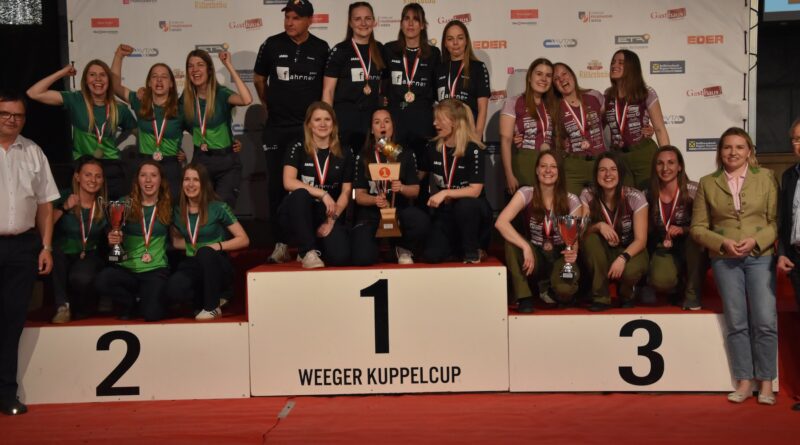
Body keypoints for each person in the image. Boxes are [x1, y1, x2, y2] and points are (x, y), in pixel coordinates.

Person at [691, 127, 777, 406]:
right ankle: (744, 380)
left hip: (760, 256)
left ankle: (766, 381)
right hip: (725, 260)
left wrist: (756, 241)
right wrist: (722, 243)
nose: (733, 152)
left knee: (765, 320)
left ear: (749, 151)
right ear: (720, 152)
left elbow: (776, 222)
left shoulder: (766, 177)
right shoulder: (707, 183)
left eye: (739, 147)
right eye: (727, 147)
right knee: (737, 321)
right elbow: (698, 228)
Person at [253, 0, 330, 264]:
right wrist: (269, 104)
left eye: (296, 18)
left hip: (308, 131)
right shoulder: (271, 44)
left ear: (310, 20)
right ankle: (281, 244)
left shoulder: (321, 48)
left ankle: (310, 244)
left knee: (311, 184)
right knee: (277, 186)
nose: (289, 22)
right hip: (277, 128)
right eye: (287, 16)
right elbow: (259, 79)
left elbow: (326, 87)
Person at [0, 91, 59, 416]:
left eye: (18, 115)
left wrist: (46, 246)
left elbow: (45, 204)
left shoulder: (33, 151)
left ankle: (6, 392)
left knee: (12, 321)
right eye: (5, 114)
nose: (12, 120)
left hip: (23, 247)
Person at [27, 61, 137, 199]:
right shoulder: (76, 99)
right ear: (85, 80)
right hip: (83, 166)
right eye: (92, 75)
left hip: (111, 168)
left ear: (109, 80)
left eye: (102, 75)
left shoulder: (120, 108)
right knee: (84, 209)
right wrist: (63, 72)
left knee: (112, 210)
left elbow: (137, 132)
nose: (98, 79)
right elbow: (34, 93)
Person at [495, 151, 582, 313]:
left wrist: (572, 252)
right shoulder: (526, 193)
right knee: (511, 243)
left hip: (560, 254)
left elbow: (573, 241)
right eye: (543, 166)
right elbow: (501, 222)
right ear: (536, 170)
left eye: (553, 166)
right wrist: (525, 246)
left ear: (559, 172)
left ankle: (555, 290)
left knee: (564, 290)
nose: (548, 170)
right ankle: (524, 297)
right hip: (535, 254)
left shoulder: (571, 200)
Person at [166, 163, 249, 320]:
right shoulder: (177, 210)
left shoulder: (218, 207)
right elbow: (176, 242)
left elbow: (244, 239)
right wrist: (195, 247)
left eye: (196, 180)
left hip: (217, 262)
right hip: (193, 262)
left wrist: (214, 246)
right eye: (187, 179)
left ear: (204, 183)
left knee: (205, 253)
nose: (190, 184)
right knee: (173, 289)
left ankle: (212, 307)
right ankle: (202, 300)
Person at [95, 160, 172, 322]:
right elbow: (112, 235)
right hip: (127, 269)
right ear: (137, 179)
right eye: (143, 175)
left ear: (161, 180)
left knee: (152, 315)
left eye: (153, 175)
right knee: (103, 280)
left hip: (155, 269)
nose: (148, 180)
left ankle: (146, 300)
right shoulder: (124, 204)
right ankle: (130, 302)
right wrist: (112, 238)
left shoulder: (169, 206)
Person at [351, 108, 430, 265]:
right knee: (363, 257)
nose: (382, 126)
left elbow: (415, 190)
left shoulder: (405, 154)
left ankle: (401, 248)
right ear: (371, 130)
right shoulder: (363, 156)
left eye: (386, 121)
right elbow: (359, 196)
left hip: (399, 209)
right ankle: (380, 248)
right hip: (372, 213)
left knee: (421, 220)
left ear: (392, 126)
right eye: (377, 122)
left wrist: (401, 188)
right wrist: (375, 200)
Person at [279, 101, 353, 268]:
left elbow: (346, 191)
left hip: (327, 213)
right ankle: (308, 251)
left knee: (340, 257)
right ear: (309, 124)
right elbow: (288, 182)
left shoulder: (345, 151)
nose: (322, 124)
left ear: (333, 124)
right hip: (298, 211)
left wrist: (332, 220)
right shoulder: (297, 147)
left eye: (327, 119)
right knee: (300, 194)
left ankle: (314, 247)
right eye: (317, 119)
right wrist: (323, 194)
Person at [421, 98, 491, 264]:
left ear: (454, 121)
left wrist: (445, 192)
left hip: (473, 211)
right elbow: (418, 177)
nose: (434, 123)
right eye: (435, 119)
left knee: (465, 205)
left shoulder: (473, 149)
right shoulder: (432, 148)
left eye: (440, 119)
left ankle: (473, 250)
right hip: (446, 211)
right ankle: (458, 248)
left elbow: (475, 191)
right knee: (432, 255)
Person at [111, 45, 185, 201]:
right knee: (144, 209)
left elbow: (199, 130)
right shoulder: (141, 103)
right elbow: (116, 87)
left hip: (171, 167)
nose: (159, 80)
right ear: (149, 83)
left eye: (164, 77)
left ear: (172, 83)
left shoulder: (181, 109)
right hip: (145, 166)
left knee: (171, 211)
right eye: (155, 76)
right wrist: (119, 56)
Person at [182, 49, 252, 209]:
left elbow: (246, 99)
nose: (195, 70)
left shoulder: (221, 94)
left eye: (200, 65)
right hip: (200, 161)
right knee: (200, 211)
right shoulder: (186, 98)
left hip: (226, 163)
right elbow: (174, 123)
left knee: (221, 211)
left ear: (209, 69)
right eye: (190, 66)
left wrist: (228, 65)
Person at [581, 151, 649, 311]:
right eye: (602, 170)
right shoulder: (588, 194)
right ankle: (601, 296)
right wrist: (598, 226)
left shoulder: (635, 197)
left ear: (620, 173)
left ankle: (627, 293)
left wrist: (622, 258)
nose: (608, 174)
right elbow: (582, 232)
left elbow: (641, 240)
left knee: (630, 272)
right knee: (590, 239)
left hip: (630, 249)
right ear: (596, 174)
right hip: (603, 250)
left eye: (613, 169)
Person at [641, 146, 705, 310]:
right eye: (660, 163)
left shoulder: (694, 190)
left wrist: (684, 230)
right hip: (664, 246)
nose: (665, 168)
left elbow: (706, 224)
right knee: (662, 281)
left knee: (695, 240)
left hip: (690, 243)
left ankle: (692, 295)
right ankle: (674, 284)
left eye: (671, 163)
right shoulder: (647, 193)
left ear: (680, 166)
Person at [383, 3, 440, 173]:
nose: (410, 23)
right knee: (394, 172)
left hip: (423, 127)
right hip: (395, 127)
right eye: (406, 18)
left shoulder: (433, 53)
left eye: (416, 19)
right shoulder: (389, 50)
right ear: (401, 23)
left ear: (422, 25)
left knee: (421, 175)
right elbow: (382, 85)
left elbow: (437, 90)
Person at [50, 156, 107, 323]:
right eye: (88, 175)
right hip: (62, 252)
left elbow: (111, 237)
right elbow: (44, 225)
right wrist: (64, 207)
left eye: (98, 176)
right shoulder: (62, 196)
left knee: (81, 278)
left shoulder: (104, 205)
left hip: (89, 253)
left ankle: (84, 307)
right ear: (77, 177)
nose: (93, 180)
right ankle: (62, 306)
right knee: (55, 255)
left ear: (103, 180)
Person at [323, 2, 385, 152]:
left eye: (368, 18)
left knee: (372, 163)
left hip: (372, 124)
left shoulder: (380, 49)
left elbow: (384, 86)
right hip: (345, 121)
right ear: (350, 23)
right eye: (357, 19)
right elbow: (328, 92)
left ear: (374, 21)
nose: (363, 23)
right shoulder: (340, 50)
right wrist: (327, 125)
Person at [604, 49, 669, 189]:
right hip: (618, 157)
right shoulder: (607, 96)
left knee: (650, 194)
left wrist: (668, 159)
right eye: (613, 62)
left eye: (621, 62)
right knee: (625, 199)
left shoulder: (645, 93)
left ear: (631, 67)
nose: (614, 65)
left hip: (642, 153)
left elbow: (659, 129)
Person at [499, 58, 557, 193]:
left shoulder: (554, 104)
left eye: (548, 75)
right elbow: (505, 141)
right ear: (530, 77)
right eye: (539, 74)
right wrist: (509, 175)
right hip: (525, 164)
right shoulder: (513, 102)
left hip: (550, 166)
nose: (544, 79)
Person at [553, 62, 608, 195]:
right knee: (571, 205)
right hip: (573, 166)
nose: (562, 79)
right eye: (556, 79)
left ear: (572, 75)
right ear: (554, 85)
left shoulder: (594, 96)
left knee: (601, 204)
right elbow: (555, 137)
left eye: (564, 74)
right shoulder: (555, 108)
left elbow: (608, 119)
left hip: (599, 162)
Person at [777, 118, 800, 411]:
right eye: (795, 139)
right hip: (797, 258)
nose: (799, 144)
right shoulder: (788, 176)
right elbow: (784, 219)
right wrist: (782, 251)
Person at [435, 20, 490, 139]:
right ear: (445, 43)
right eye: (450, 39)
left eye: (460, 38)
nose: (455, 43)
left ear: (466, 41)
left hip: (469, 135)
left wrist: (477, 136)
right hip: (445, 136)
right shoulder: (439, 69)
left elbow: (483, 108)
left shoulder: (478, 67)